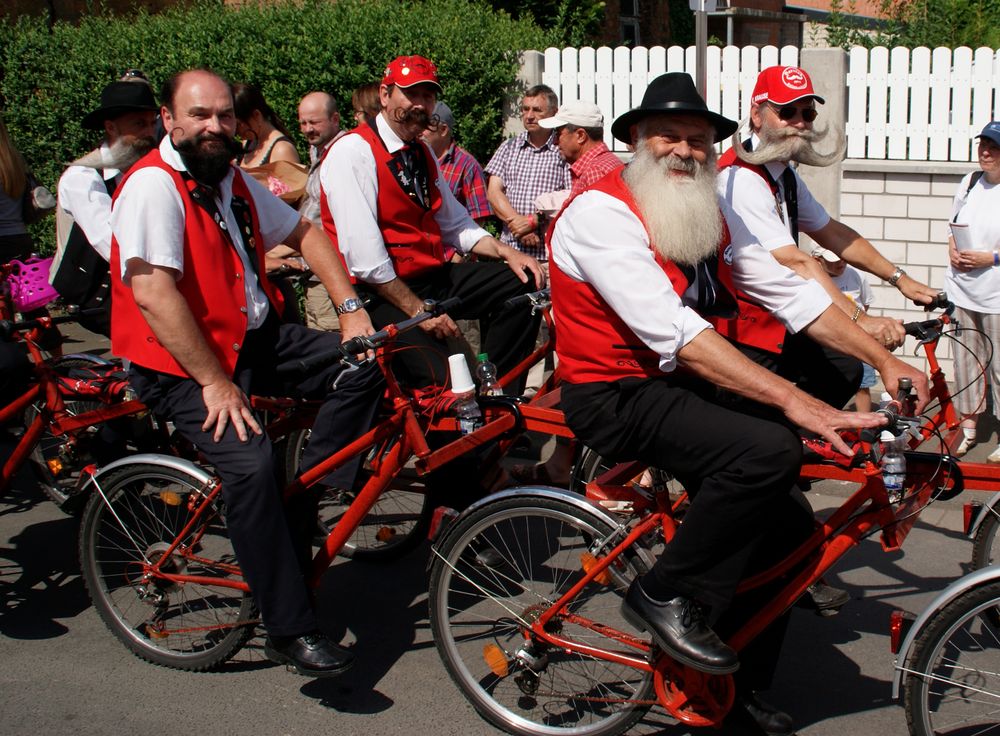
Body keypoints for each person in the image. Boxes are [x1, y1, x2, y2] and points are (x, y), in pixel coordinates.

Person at [549, 71, 928, 734]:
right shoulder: (600, 211)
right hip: (612, 391)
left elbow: (791, 295)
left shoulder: (708, 207)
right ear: (637, 139)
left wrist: (883, 358)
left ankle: (733, 688)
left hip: (675, 382)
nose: (686, 150)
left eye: (699, 140)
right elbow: (676, 332)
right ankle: (664, 592)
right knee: (767, 449)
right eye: (669, 136)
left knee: (788, 533)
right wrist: (799, 404)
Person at [109, 69, 385, 677]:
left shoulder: (229, 178)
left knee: (366, 364)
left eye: (225, 116)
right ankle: (289, 628)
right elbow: (154, 294)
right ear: (169, 118)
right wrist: (214, 380)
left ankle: (308, 499)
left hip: (251, 340)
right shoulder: (152, 187)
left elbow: (305, 231)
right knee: (252, 464)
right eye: (200, 115)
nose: (215, 126)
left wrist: (350, 312)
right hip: (178, 362)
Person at [716, 65, 939, 408]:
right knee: (773, 428)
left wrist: (900, 279)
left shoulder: (782, 172)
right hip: (747, 332)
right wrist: (861, 321)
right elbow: (796, 262)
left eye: (807, 113)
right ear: (757, 116)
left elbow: (833, 232)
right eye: (787, 111)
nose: (800, 123)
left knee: (844, 369)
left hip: (779, 318)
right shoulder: (742, 178)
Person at [320, 55, 544, 390]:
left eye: (428, 96)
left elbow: (455, 224)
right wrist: (420, 312)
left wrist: (507, 252)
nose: (420, 105)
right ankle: (466, 420)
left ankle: (496, 392)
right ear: (384, 95)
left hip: (431, 278)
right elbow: (366, 262)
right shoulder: (353, 152)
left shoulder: (420, 153)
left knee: (525, 283)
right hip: (383, 292)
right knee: (447, 391)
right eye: (411, 94)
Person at [53, 80, 159, 336]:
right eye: (139, 124)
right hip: (100, 295)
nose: (150, 132)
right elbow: (111, 244)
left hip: (139, 286)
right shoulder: (83, 177)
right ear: (110, 127)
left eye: (152, 123)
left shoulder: (149, 169)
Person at [946, 121, 1000, 461]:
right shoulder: (969, 183)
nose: (985, 152)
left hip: (996, 296)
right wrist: (952, 248)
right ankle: (968, 429)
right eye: (982, 145)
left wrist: (991, 257)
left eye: (993, 147)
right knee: (966, 363)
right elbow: (952, 223)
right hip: (963, 290)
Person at [485, 84, 570, 262]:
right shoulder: (509, 147)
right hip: (511, 251)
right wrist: (518, 224)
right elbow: (494, 192)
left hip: (547, 256)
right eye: (525, 109)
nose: (529, 116)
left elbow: (571, 197)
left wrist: (532, 223)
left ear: (554, 112)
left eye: (537, 110)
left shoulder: (562, 149)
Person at [296, 91, 348, 330]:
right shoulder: (317, 150)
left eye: (314, 122)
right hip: (312, 271)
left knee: (334, 344)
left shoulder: (343, 155)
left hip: (332, 272)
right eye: (303, 123)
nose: (307, 129)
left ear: (335, 119)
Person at [813, 246, 877, 411]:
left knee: (863, 384)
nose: (840, 263)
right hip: (830, 340)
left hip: (859, 339)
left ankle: (865, 426)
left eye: (842, 258)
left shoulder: (856, 274)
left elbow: (866, 302)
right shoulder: (813, 280)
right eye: (833, 260)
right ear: (817, 260)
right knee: (828, 381)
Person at [421, 102, 491, 226]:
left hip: (452, 243)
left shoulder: (468, 166)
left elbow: (478, 221)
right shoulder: (413, 158)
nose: (419, 131)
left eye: (425, 126)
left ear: (443, 130)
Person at [538, 100, 622, 196]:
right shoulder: (602, 164)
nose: (554, 142)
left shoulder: (594, 172)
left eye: (558, 134)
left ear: (580, 136)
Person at [233, 83, 300, 168]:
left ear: (256, 115)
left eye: (239, 124)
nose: (236, 130)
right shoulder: (248, 143)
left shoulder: (282, 150)